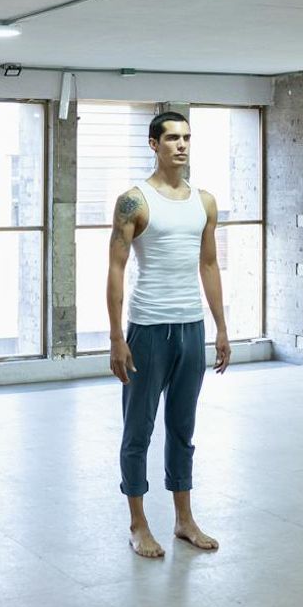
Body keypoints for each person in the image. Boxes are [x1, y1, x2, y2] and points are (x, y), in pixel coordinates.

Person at [106, 110, 231, 558]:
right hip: (147, 328)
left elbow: (210, 265)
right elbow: (116, 269)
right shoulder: (134, 201)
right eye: (172, 138)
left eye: (186, 138)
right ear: (153, 144)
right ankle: (138, 524)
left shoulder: (205, 202)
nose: (181, 145)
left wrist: (220, 327)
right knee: (138, 429)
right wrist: (117, 337)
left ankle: (184, 519)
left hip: (190, 328)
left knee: (182, 428)